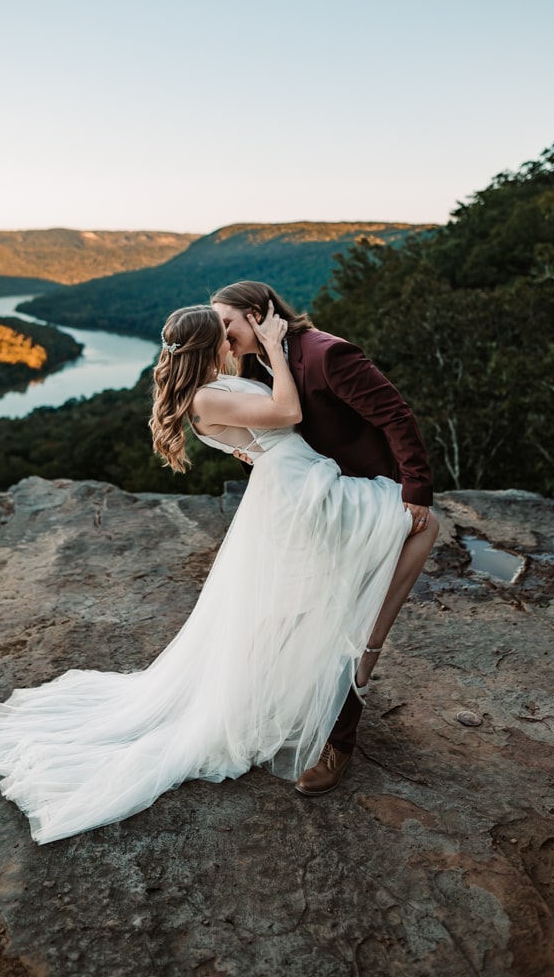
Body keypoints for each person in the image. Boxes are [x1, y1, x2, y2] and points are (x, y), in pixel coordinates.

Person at [0, 304, 414, 843]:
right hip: (304, 492)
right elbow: (289, 416)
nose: (234, 338)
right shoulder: (207, 395)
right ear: (213, 346)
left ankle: (330, 680)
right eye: (226, 333)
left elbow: (258, 435)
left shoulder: (209, 389)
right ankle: (363, 656)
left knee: (306, 602)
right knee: (416, 527)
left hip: (294, 486)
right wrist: (275, 348)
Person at [211, 280, 438, 796]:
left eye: (226, 323)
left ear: (257, 313)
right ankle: (299, 707)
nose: (220, 336)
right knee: (288, 615)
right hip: (313, 503)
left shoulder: (327, 354)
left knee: (347, 620)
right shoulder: (257, 363)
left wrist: (416, 492)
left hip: (364, 497)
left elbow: (395, 414)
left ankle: (340, 742)